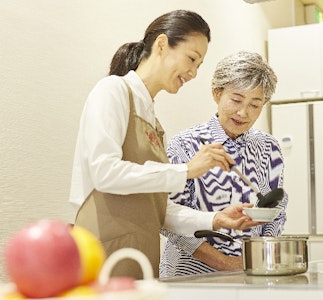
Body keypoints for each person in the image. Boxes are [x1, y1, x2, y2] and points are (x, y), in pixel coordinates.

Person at [69, 10, 261, 280]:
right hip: (101, 251)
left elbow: (158, 208)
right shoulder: (112, 90)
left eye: (199, 64)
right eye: (192, 58)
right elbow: (104, 173)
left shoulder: (154, 122)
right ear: (161, 44)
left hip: (142, 254)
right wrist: (186, 171)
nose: (194, 72)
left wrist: (215, 219)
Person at [159, 51, 288, 278]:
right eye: (236, 100)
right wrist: (225, 262)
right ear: (217, 93)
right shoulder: (185, 145)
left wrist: (259, 259)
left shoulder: (269, 147)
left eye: (255, 104)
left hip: (251, 271)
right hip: (191, 275)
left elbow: (276, 212)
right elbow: (168, 219)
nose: (243, 112)